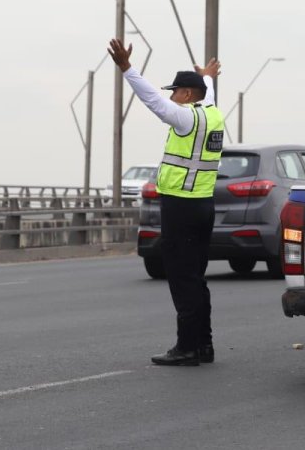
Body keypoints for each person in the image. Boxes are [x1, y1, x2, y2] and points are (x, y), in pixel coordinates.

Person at [107, 38, 224, 367]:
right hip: (203, 206)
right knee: (197, 277)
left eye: (176, 91)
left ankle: (187, 347)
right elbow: (208, 91)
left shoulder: (186, 117)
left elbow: (153, 101)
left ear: (187, 95)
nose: (172, 95)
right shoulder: (211, 113)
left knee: (182, 277)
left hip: (182, 207)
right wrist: (208, 75)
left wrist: (127, 69)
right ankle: (204, 344)